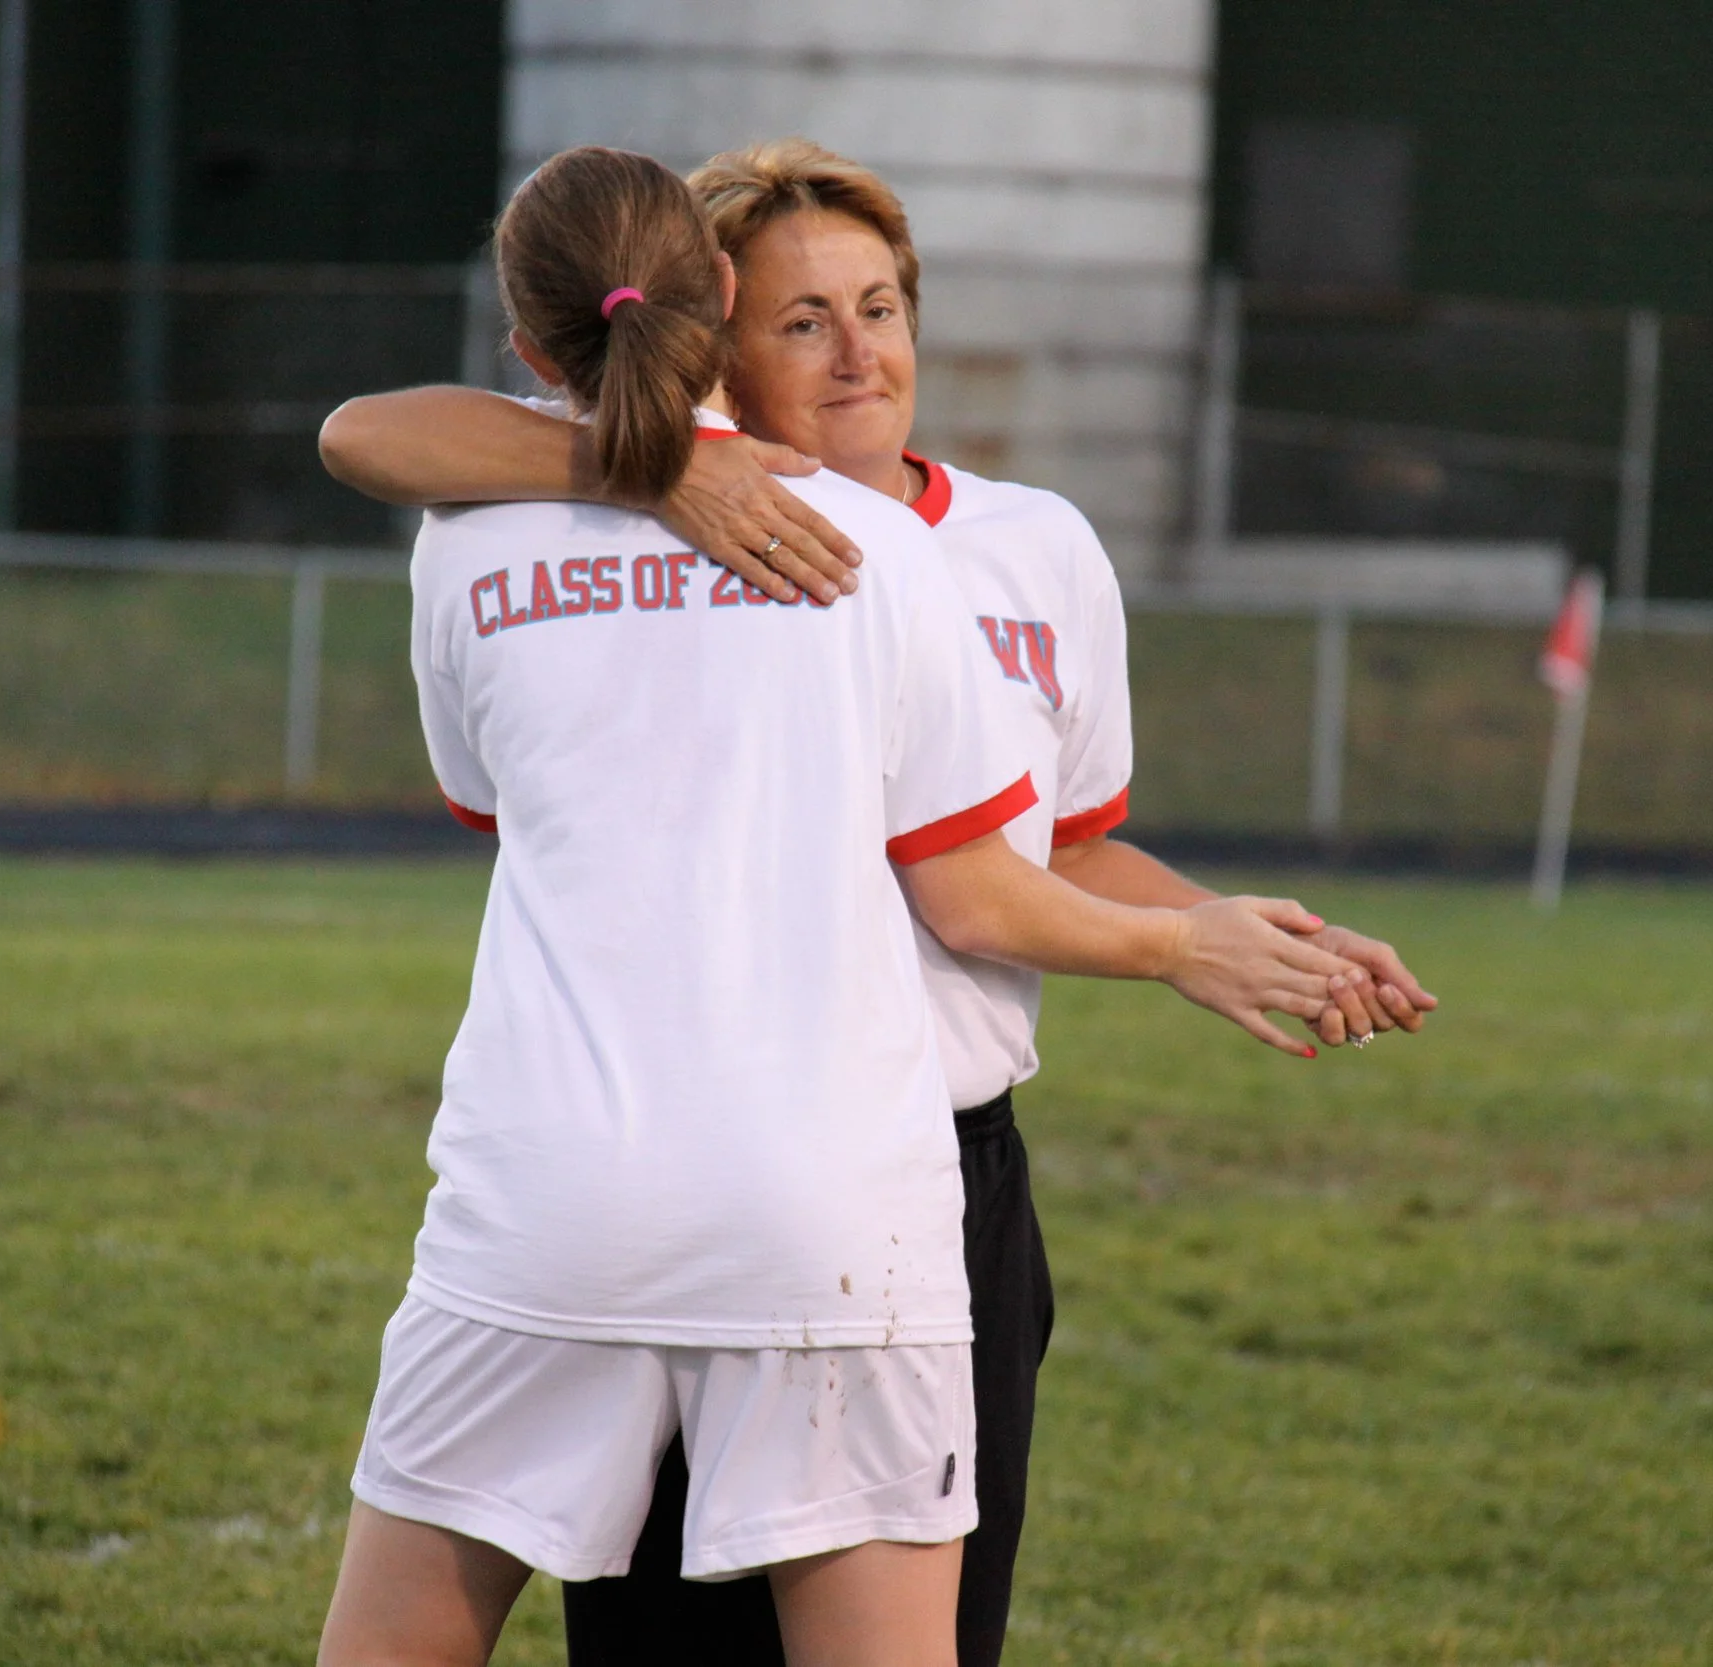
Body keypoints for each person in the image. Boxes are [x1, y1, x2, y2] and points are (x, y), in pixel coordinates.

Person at [316, 144, 1390, 1667]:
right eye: (805, 317)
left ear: (532, 349)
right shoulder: (879, 548)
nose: (859, 349)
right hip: (835, 1206)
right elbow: (964, 882)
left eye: (881, 307)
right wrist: (1179, 946)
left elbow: (496, 793)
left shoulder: (465, 541)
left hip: (545, 1194)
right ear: (714, 323)